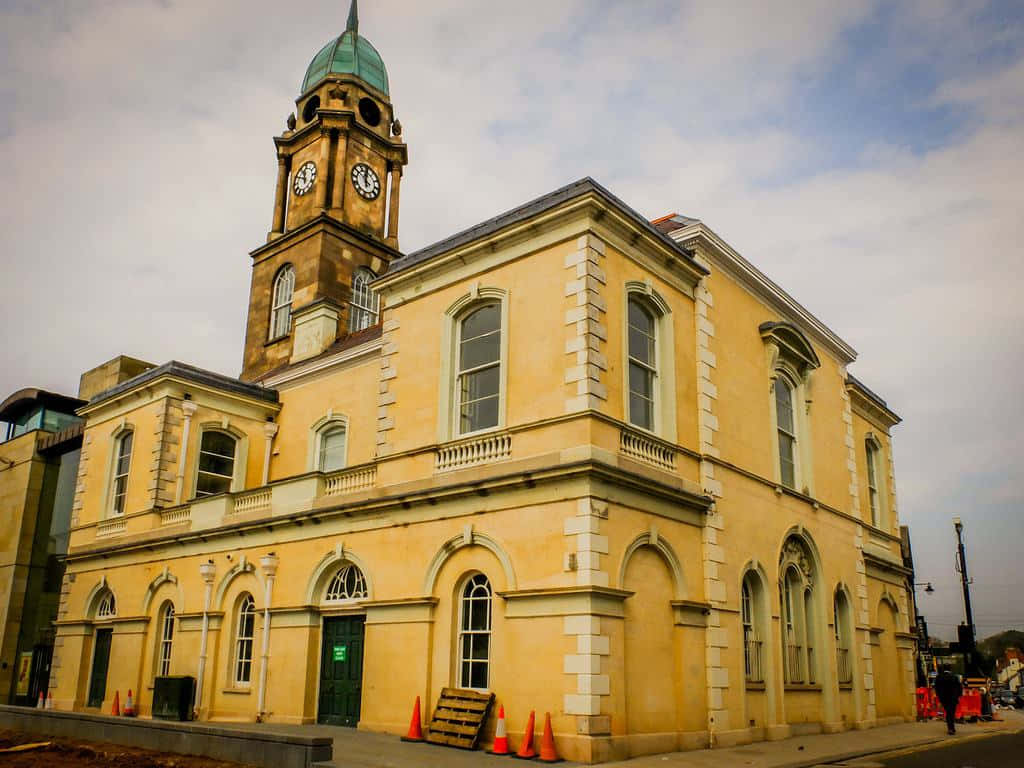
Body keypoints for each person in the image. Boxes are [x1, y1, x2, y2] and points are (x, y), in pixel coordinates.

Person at [934, 665, 963, 735]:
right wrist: (958, 696)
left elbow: (936, 688)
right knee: (951, 713)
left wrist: (939, 697)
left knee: (948, 712)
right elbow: (960, 687)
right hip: (953, 698)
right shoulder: (955, 677)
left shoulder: (939, 677)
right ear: (950, 669)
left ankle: (951, 728)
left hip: (944, 699)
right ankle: (951, 728)